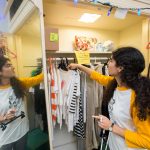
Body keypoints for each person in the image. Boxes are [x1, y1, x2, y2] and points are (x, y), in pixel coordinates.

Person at [68, 47, 150, 150]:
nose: (107, 64)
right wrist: (79, 66)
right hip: (115, 145)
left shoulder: (136, 97)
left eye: (111, 61)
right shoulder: (115, 84)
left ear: (120, 68)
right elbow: (97, 76)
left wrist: (111, 126)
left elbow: (147, 141)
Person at [0, 56, 44, 150]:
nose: (13, 67)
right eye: (8, 65)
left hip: (22, 132)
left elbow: (39, 78)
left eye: (11, 65)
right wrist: (2, 118)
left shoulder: (20, 84)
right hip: (5, 138)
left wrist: (49, 65)